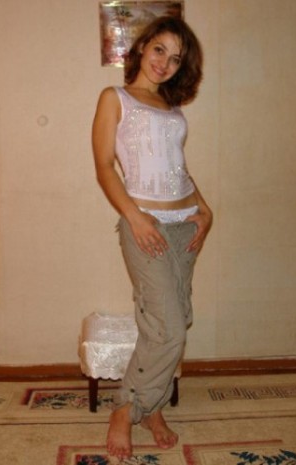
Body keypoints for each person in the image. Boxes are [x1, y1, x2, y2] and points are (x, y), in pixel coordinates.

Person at [91, 16, 212, 460]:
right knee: (170, 326)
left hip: (184, 225)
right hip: (146, 225)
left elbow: (177, 166)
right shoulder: (116, 98)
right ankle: (126, 408)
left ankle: (152, 409)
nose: (165, 63)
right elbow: (104, 166)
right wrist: (135, 217)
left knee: (170, 322)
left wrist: (205, 209)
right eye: (160, 49)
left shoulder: (171, 107)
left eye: (176, 59)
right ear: (142, 47)